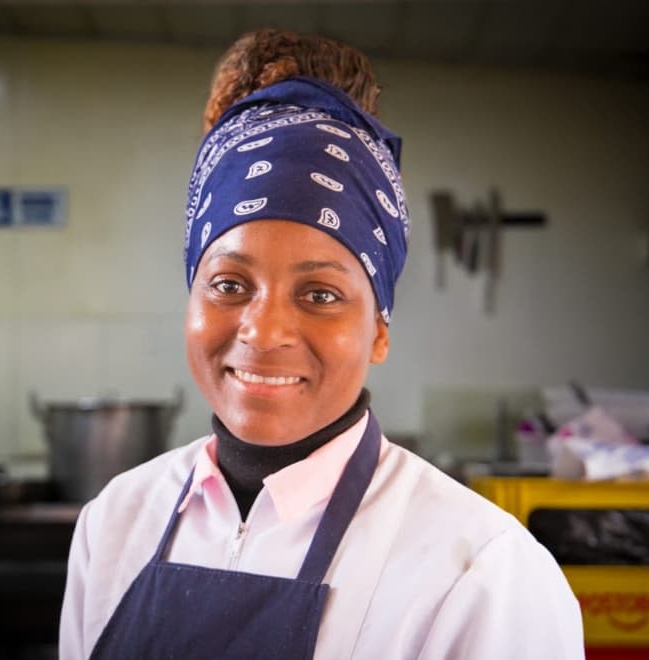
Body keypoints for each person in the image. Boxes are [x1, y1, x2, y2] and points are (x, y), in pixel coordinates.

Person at [60, 29, 584, 660]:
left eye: (320, 294)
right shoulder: (115, 524)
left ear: (380, 331)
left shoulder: (481, 575)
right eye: (229, 283)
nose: (263, 331)